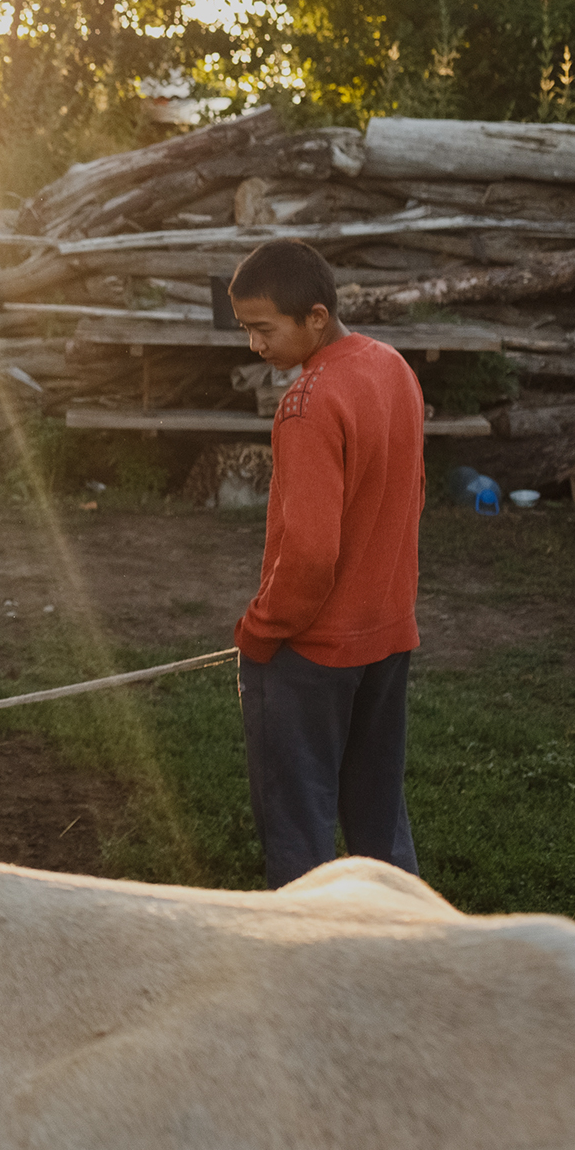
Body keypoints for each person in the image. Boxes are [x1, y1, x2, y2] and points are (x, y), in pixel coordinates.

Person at [226, 238, 424, 887]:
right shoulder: (392, 367)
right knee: (379, 825)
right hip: (388, 638)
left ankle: (306, 960)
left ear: (315, 316)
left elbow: (309, 555)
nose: (256, 346)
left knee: (298, 832)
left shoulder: (307, 405)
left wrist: (260, 631)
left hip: (310, 654)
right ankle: (407, 952)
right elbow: (408, 497)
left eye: (263, 329)